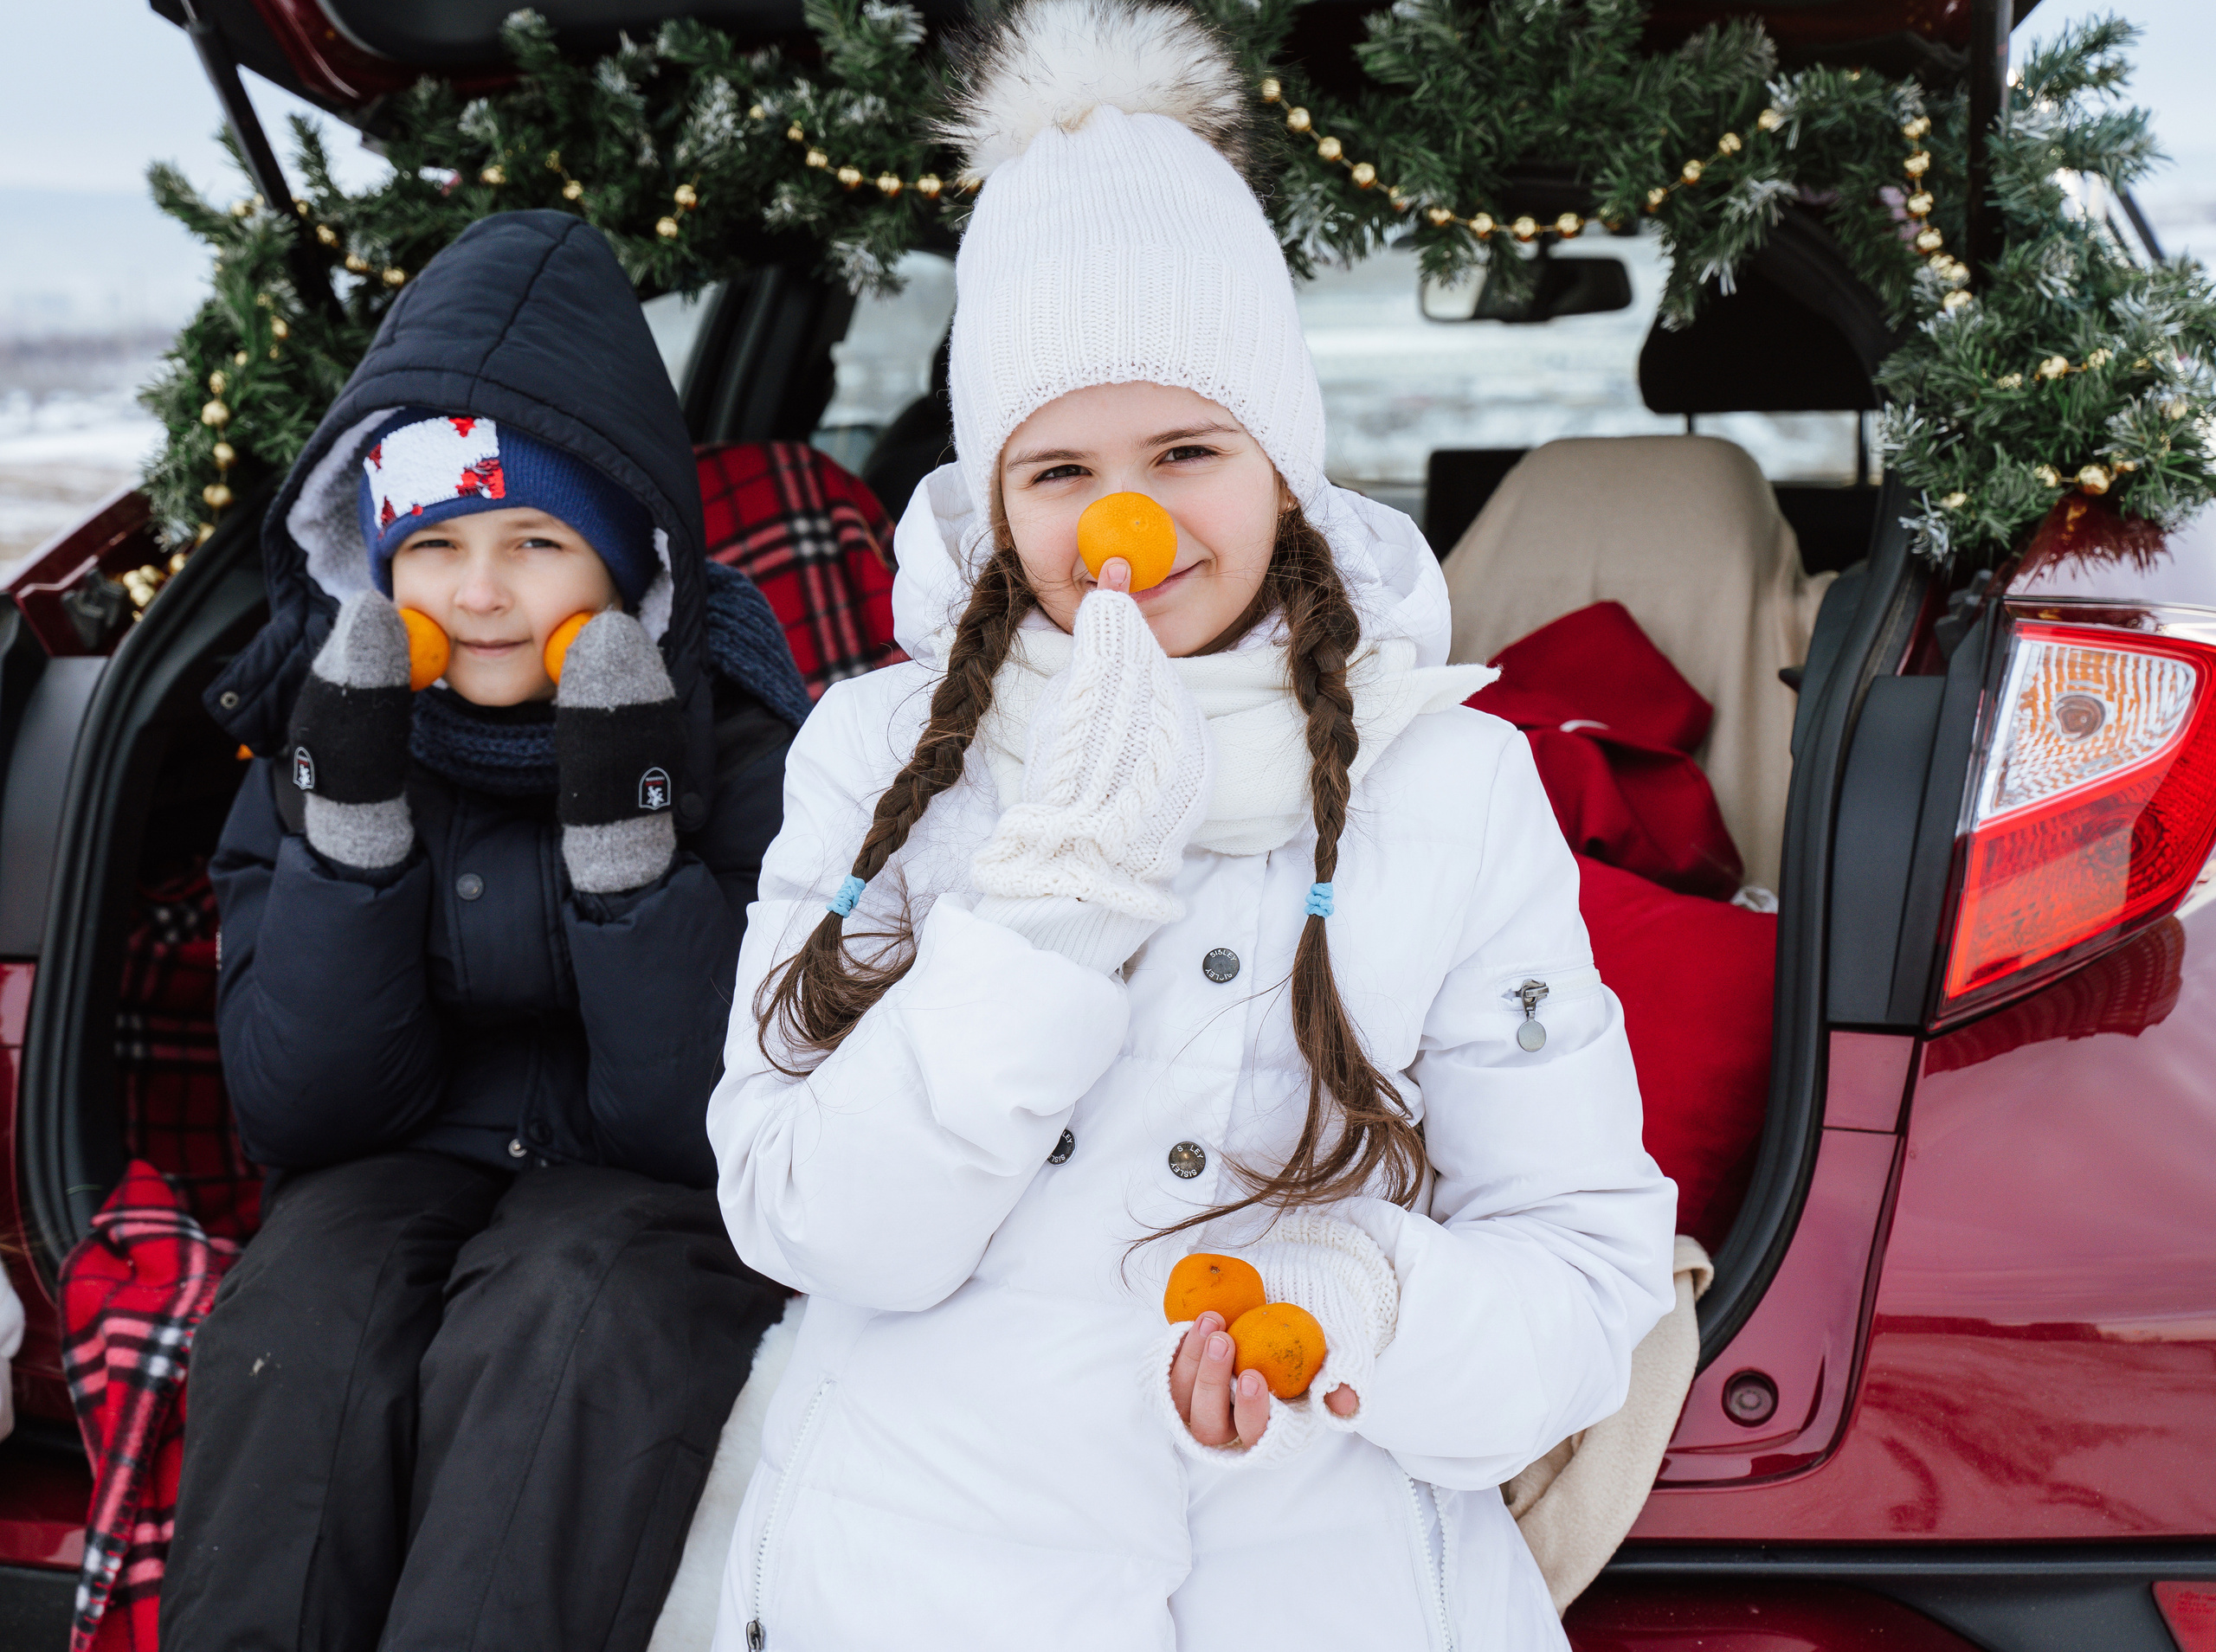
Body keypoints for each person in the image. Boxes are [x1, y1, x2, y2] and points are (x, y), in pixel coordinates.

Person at [704, 3, 1678, 1647]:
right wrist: (1050, 909)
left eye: (1185, 452)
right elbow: (803, 1213)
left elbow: (1581, 1269)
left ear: (1284, 469)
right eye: (1057, 469)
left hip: (1322, 1568)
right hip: (923, 1561)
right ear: (996, 504)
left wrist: (1356, 1303)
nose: (1125, 525)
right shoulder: (877, 752)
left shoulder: (1448, 783)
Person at [165, 211, 808, 1652]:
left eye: (535, 539)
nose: (478, 589)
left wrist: (629, 854)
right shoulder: (322, 745)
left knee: (579, 1317)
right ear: (375, 561)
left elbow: (712, 1123)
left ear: (633, 560)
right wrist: (352, 823)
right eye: (436, 542)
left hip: (643, 1191)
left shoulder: (753, 745)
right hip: (397, 1158)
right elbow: (306, 1108)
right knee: (310, 1315)